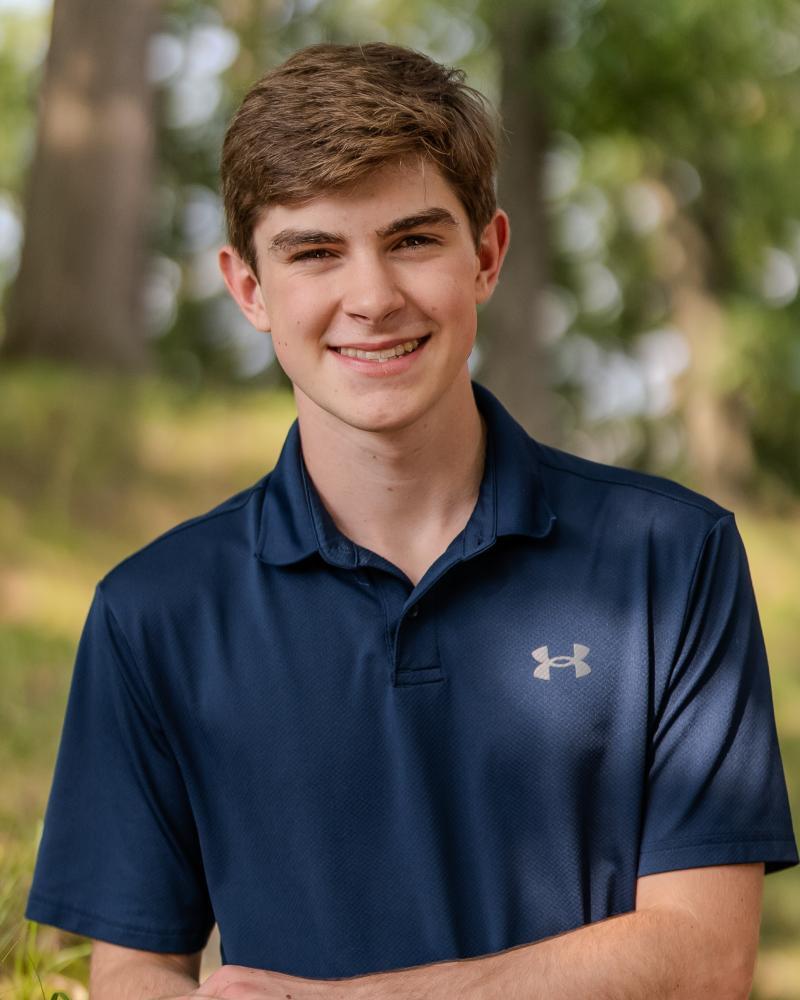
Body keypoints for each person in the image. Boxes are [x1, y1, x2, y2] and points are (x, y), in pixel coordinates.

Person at [27, 42, 797, 1000]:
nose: (373, 299)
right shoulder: (154, 611)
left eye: (413, 241)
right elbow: (134, 965)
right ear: (249, 288)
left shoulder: (671, 562)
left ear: (487, 256)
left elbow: (704, 959)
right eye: (315, 252)